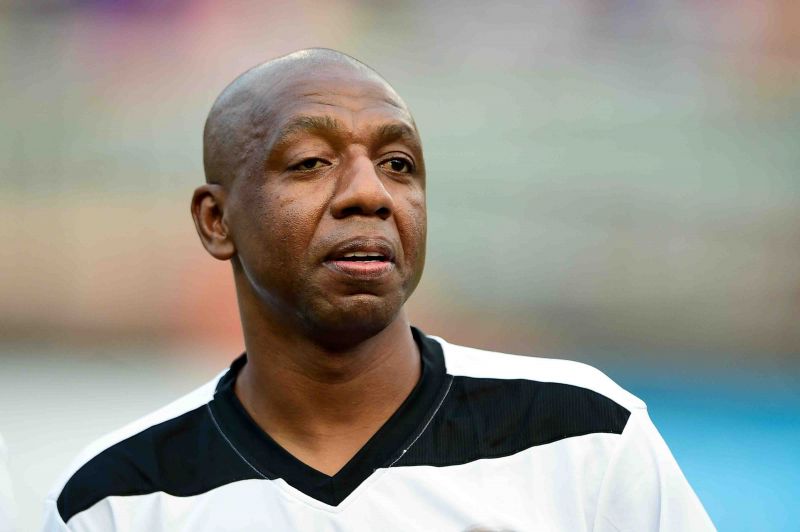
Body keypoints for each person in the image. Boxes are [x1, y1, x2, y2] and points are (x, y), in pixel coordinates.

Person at [43, 48, 714, 531]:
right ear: (217, 221)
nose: (370, 193)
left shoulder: (585, 435)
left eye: (398, 164)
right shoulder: (116, 501)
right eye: (310, 162)